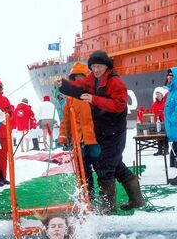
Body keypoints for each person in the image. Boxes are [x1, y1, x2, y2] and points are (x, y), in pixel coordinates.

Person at [57, 50, 145, 213]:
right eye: (93, 67)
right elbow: (80, 88)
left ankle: (108, 207)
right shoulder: (92, 79)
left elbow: (119, 106)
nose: (96, 70)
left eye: (99, 66)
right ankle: (137, 200)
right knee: (117, 167)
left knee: (104, 168)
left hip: (115, 133)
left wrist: (94, 99)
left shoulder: (116, 83)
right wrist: (64, 85)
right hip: (103, 132)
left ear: (106, 66)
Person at [58, 62, 100, 200]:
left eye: (80, 76)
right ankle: (89, 195)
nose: (77, 80)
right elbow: (65, 121)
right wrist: (63, 137)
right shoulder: (69, 99)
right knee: (83, 170)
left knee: (100, 167)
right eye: (75, 77)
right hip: (79, 140)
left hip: (94, 138)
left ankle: (105, 195)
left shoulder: (94, 94)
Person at [151, 89, 167, 156]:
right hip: (158, 122)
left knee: (165, 136)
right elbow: (153, 112)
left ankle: (166, 150)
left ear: (162, 94)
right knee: (158, 136)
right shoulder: (154, 104)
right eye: (156, 94)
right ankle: (159, 150)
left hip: (164, 121)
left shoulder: (165, 103)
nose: (157, 95)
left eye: (159, 94)